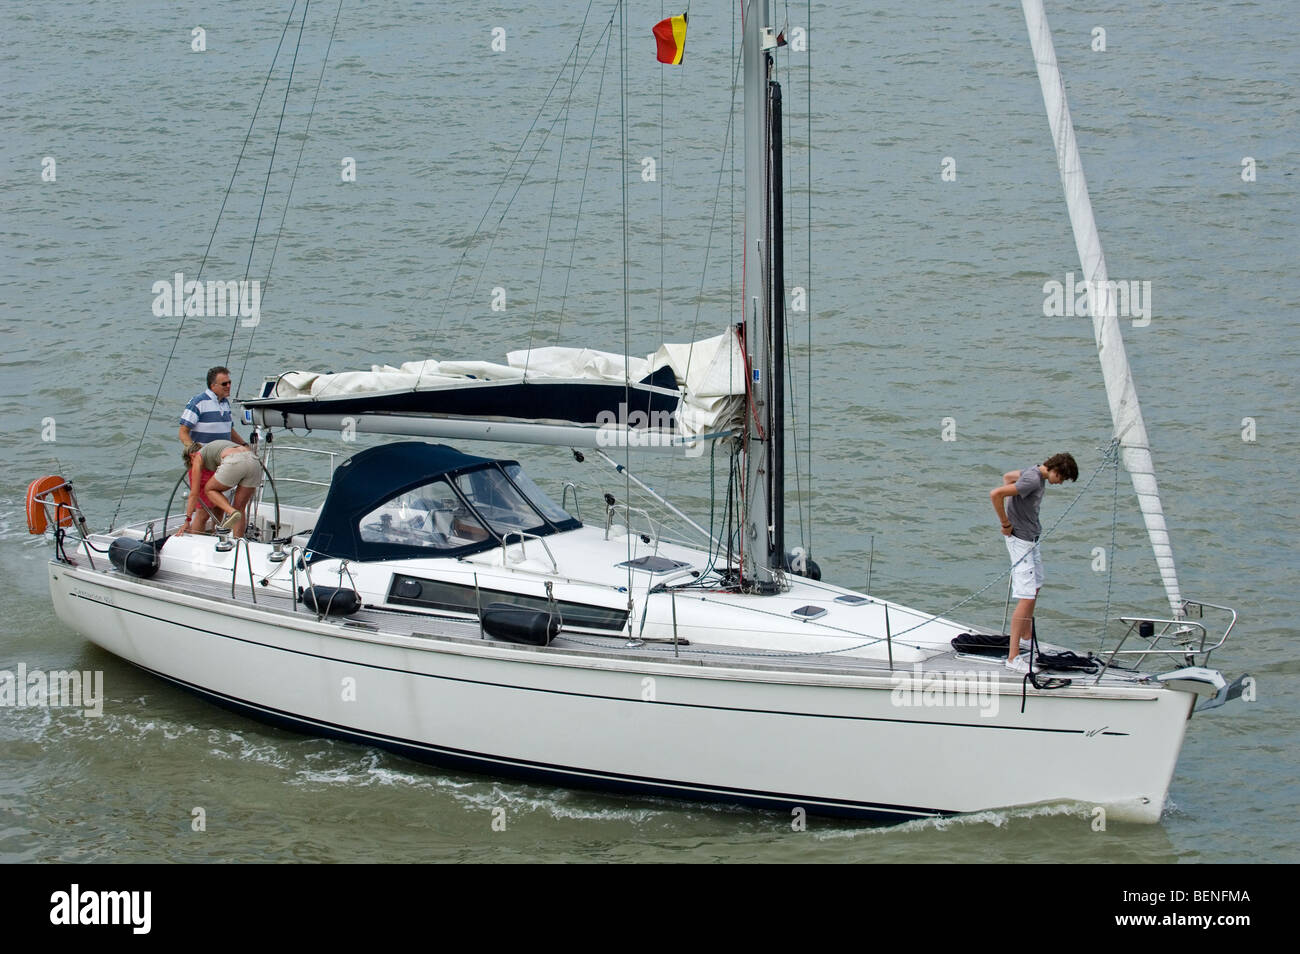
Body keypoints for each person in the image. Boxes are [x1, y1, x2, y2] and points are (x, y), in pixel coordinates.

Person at [989, 452, 1079, 673]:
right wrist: (1006, 523)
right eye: (1063, 479)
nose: (1060, 483)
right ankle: (1013, 657)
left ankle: (1027, 637)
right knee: (1026, 596)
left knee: (1036, 585)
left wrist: (1017, 506)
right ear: (1057, 471)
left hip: (1031, 539)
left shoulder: (1033, 471)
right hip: (1021, 541)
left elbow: (1007, 476)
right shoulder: (1033, 479)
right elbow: (997, 493)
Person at [178, 367, 249, 533]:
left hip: (222, 463)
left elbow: (228, 431)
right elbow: (183, 431)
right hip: (204, 463)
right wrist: (193, 450)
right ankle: (196, 541)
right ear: (213, 385)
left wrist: (244, 445)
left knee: (217, 509)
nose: (228, 386)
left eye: (230, 382)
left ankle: (213, 539)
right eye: (224, 383)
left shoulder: (224, 403)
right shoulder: (198, 402)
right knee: (203, 511)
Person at [179, 440, 262, 538]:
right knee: (240, 508)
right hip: (254, 460)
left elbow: (194, 493)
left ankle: (231, 512)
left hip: (235, 460)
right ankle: (238, 543)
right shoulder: (214, 449)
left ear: (192, 456)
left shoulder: (197, 456)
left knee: (209, 489)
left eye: (191, 463)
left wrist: (187, 520)